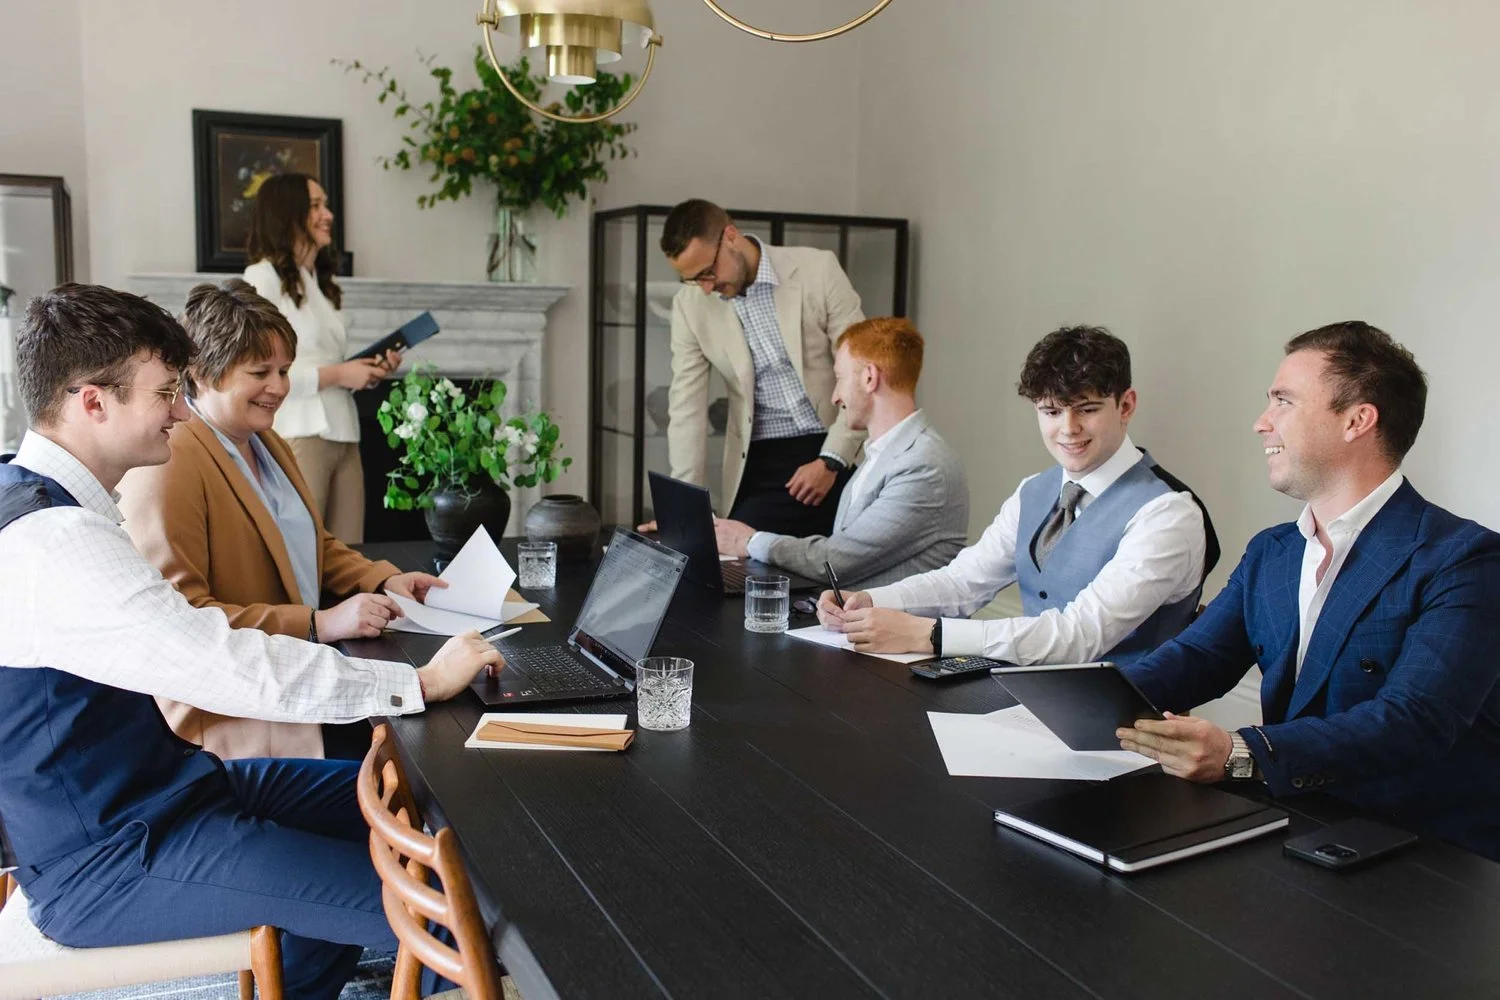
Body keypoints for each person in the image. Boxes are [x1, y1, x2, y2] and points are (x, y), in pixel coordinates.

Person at [0, 283, 503, 1000]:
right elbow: (224, 662)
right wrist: (416, 684)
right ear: (92, 402)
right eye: (165, 392)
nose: (181, 409)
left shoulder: (46, 505)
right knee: (450, 915)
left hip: (175, 795)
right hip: (116, 858)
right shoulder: (56, 543)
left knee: (406, 808)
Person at [1117, 322, 1500, 862]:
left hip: (1428, 864)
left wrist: (1240, 753)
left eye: (1283, 401)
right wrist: (1080, 700)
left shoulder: (1467, 558)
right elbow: (1197, 657)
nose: (1261, 422)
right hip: (1296, 828)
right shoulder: (1272, 551)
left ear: (1356, 420)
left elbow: (1415, 720)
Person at [118, 279, 447, 761]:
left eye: (285, 370)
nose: (279, 388)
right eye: (260, 372)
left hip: (302, 669)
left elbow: (312, 542)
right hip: (237, 711)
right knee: (417, 738)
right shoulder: (172, 463)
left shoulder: (264, 440)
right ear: (204, 375)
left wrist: (385, 579)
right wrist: (317, 623)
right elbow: (188, 619)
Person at [817, 325, 1217, 664]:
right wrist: (871, 600)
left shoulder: (1168, 513)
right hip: (1023, 702)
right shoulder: (1034, 491)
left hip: (1127, 729)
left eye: (1087, 409)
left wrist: (931, 635)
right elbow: (964, 581)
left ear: (1126, 405)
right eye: (1051, 411)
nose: (1068, 428)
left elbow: (1079, 635)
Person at [653, 198, 865, 537]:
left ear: (732, 236)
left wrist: (831, 461)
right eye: (694, 280)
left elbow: (863, 370)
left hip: (836, 444)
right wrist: (682, 509)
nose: (706, 287)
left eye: (708, 272)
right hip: (759, 460)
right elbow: (686, 408)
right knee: (731, 562)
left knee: (841, 566)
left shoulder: (818, 271)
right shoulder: (690, 307)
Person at [713, 316, 968, 590]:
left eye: (840, 379)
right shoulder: (880, 457)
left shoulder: (923, 466)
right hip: (853, 618)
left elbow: (834, 561)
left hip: (892, 626)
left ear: (870, 378)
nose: (835, 396)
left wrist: (748, 541)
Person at [243, 172, 397, 544]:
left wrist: (364, 372)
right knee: (301, 550)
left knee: (348, 550)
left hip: (343, 431)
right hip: (299, 433)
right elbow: (256, 377)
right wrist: (339, 374)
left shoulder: (318, 284)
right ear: (287, 213)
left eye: (325, 204)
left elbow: (325, 361)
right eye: (315, 206)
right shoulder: (261, 278)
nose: (327, 214)